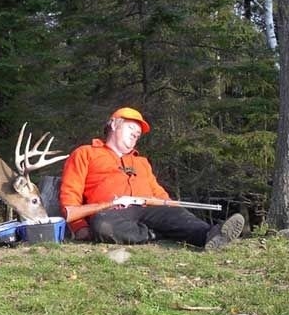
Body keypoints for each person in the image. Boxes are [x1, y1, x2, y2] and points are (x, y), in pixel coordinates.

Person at [59, 107, 244, 250]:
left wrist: (172, 208)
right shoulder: (85, 153)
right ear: (114, 124)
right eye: (131, 128)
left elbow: (157, 192)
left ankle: (211, 235)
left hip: (149, 209)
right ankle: (157, 234)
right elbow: (70, 194)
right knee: (102, 225)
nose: (135, 135)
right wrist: (78, 227)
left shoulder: (141, 162)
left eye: (138, 134)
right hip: (112, 213)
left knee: (175, 215)